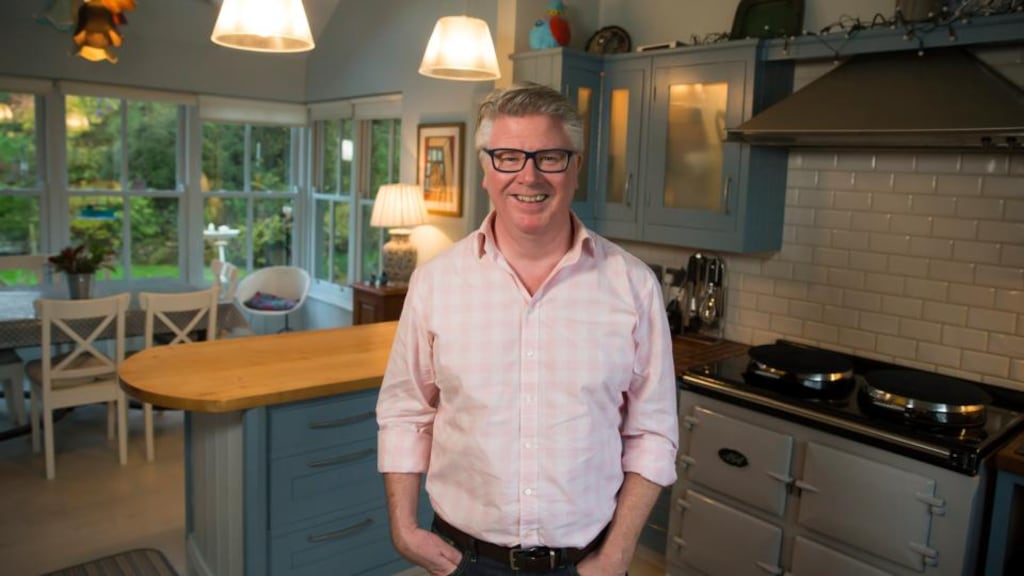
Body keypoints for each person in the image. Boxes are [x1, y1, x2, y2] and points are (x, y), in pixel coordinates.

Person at [377, 82, 678, 576]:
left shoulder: (633, 287)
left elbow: (653, 432)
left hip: (589, 563)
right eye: (508, 157)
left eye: (550, 157)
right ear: (485, 170)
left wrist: (620, 553)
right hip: (466, 560)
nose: (529, 175)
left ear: (576, 166)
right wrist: (404, 527)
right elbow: (405, 411)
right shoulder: (435, 283)